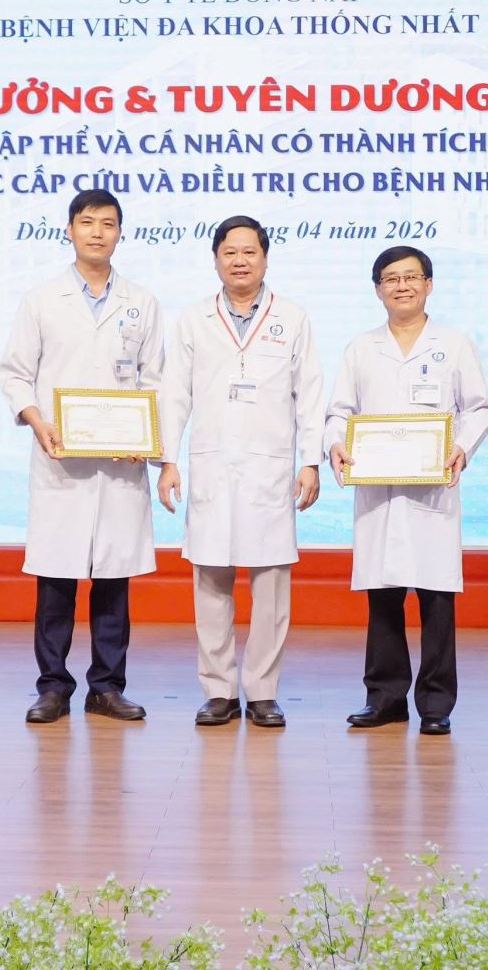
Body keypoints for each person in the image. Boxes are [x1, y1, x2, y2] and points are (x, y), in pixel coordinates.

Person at [0, 189, 163, 724]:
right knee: (56, 579)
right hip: (60, 462)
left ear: (120, 233)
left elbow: (156, 380)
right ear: (69, 230)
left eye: (107, 223)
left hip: (120, 466)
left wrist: (147, 437)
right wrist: (35, 419)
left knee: (113, 580)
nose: (97, 232)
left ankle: (107, 688)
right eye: (87, 222)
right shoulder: (41, 299)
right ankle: (52, 687)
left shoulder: (141, 302)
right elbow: (15, 373)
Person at [157, 216, 324, 728]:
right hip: (212, 465)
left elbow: (310, 392)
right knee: (210, 582)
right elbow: (174, 392)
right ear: (215, 260)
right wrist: (167, 459)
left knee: (271, 586)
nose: (240, 261)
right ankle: (219, 691)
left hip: (270, 468)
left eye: (249, 251)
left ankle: (264, 692)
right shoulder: (194, 319)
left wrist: (311, 460)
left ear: (266, 258)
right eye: (229, 252)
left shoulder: (292, 318)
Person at [326, 246, 488, 735]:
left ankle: (436, 704)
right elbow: (339, 411)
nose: (402, 286)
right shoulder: (361, 348)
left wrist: (461, 447)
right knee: (383, 596)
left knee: (437, 598)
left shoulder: (454, 345)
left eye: (411, 277)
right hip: (378, 490)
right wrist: (335, 444)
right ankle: (385, 699)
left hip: (432, 490)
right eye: (391, 279)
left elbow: (479, 408)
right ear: (378, 289)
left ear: (429, 284)